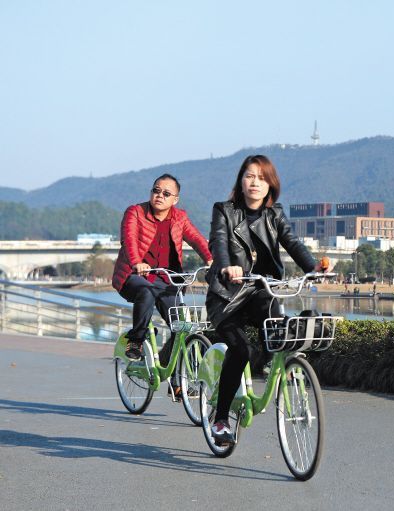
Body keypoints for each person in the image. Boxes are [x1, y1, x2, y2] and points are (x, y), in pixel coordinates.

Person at [205, 155, 325, 446]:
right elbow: (218, 242)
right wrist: (226, 266)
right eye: (249, 176)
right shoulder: (225, 210)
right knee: (240, 349)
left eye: (261, 177)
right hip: (228, 296)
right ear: (241, 181)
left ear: (271, 183)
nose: (255, 182)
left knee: (279, 324)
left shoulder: (275, 214)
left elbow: (292, 242)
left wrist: (313, 268)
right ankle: (221, 419)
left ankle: (275, 362)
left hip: (261, 291)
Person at [112, 173, 212, 373]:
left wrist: (211, 260)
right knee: (146, 292)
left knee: (182, 327)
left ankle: (176, 376)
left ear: (175, 199)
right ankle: (136, 340)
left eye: (166, 193)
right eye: (156, 190)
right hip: (135, 277)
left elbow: (196, 239)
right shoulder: (135, 212)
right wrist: (136, 263)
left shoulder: (179, 217)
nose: (159, 196)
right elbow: (129, 240)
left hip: (168, 281)